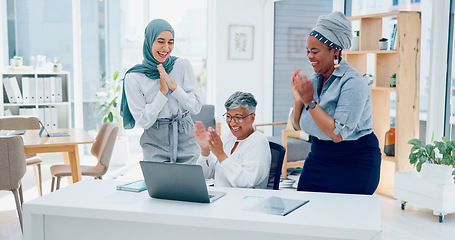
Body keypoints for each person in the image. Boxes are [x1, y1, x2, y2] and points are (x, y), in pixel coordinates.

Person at [290, 12, 381, 195]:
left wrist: (309, 101)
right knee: (305, 212)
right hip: (319, 157)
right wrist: (298, 99)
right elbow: (296, 125)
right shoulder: (315, 80)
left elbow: (337, 134)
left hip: (355, 162)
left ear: (335, 50)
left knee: (343, 219)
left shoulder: (353, 83)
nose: (309, 56)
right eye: (308, 51)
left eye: (315, 51)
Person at [120, 19, 202, 163]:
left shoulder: (182, 65)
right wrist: (162, 93)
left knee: (189, 184)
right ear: (149, 41)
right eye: (160, 41)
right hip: (155, 141)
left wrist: (174, 87)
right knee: (158, 185)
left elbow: (195, 107)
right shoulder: (134, 77)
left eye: (170, 42)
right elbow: (144, 121)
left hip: (186, 137)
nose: (166, 48)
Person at [194, 92, 271, 189]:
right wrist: (205, 150)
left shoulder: (259, 141)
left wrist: (221, 155)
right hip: (221, 198)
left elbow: (245, 182)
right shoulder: (227, 137)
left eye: (238, 117)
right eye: (229, 117)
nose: (232, 123)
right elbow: (206, 175)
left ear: (252, 117)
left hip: (244, 201)